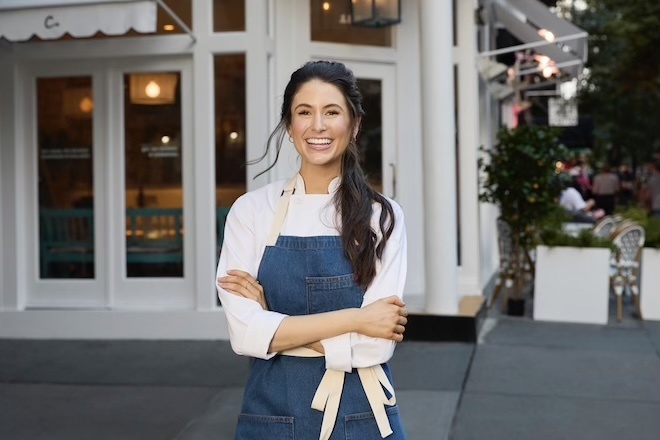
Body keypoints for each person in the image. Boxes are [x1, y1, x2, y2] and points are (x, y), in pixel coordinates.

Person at [215, 60, 408, 440]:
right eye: (304, 112)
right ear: (290, 126)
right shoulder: (252, 211)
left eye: (331, 112)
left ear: (354, 125)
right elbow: (243, 336)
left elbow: (376, 344)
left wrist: (271, 321)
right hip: (272, 411)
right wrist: (356, 319)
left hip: (362, 412)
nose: (317, 125)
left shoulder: (381, 216)